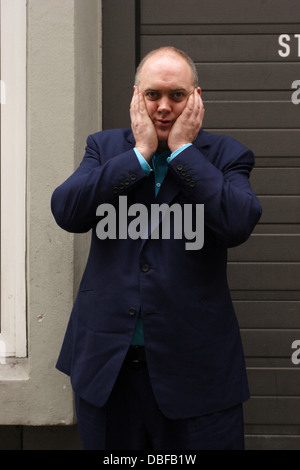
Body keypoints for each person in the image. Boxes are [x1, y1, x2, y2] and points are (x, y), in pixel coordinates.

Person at [51, 46, 262, 450]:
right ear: (136, 96)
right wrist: (139, 154)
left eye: (177, 96)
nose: (164, 108)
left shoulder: (226, 155)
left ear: (195, 98)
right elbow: (67, 211)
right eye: (153, 95)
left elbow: (238, 223)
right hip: (108, 372)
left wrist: (183, 152)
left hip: (198, 378)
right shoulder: (105, 148)